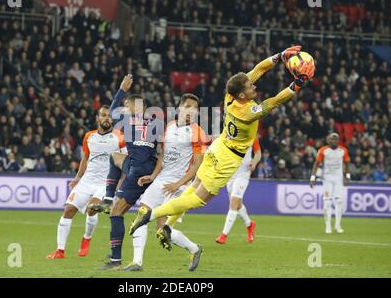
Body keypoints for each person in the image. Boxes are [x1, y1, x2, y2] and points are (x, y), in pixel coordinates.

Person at [129, 46, 314, 271]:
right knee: (199, 198)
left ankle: (167, 226)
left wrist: (279, 56)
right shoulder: (248, 112)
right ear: (243, 95)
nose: (254, 85)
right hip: (229, 158)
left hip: (217, 146)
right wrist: (298, 83)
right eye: (249, 86)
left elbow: (257, 69)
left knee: (194, 186)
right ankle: (151, 214)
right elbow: (275, 101)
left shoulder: (230, 95)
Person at [124, 93, 208, 271]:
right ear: (179, 108)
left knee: (163, 229)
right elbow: (162, 156)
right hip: (161, 181)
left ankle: (194, 249)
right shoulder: (169, 126)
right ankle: (137, 262)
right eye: (187, 106)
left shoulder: (197, 132)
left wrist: (179, 184)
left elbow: (198, 164)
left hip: (180, 185)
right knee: (141, 215)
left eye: (194, 109)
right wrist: (153, 176)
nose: (190, 111)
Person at [92, 75, 164, 270]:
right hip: (147, 167)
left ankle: (115, 260)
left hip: (137, 170)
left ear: (134, 106)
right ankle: (107, 198)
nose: (124, 107)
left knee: (117, 212)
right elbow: (162, 152)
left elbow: (112, 112)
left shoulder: (128, 120)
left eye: (127, 105)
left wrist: (121, 90)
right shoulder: (156, 123)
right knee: (115, 157)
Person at [46, 106, 126, 259]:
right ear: (98, 118)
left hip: (105, 183)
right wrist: (77, 178)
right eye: (103, 115)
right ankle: (60, 251)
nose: (107, 118)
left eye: (109, 116)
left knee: (92, 208)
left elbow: (124, 162)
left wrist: (120, 183)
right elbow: (85, 158)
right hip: (87, 181)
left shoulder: (119, 137)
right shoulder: (89, 136)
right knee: (68, 209)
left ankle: (86, 238)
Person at [215, 137, 261, 245]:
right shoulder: (228, 135)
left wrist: (254, 162)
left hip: (243, 173)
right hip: (230, 173)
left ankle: (223, 235)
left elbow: (258, 153)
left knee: (234, 202)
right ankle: (249, 224)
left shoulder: (251, 136)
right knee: (237, 203)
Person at [310, 133, 350, 234]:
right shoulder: (323, 150)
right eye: (332, 139)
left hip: (338, 179)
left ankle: (337, 225)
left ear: (338, 140)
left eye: (336, 139)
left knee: (339, 201)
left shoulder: (343, 150)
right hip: (327, 179)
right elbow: (316, 164)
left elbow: (347, 163)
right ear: (328, 140)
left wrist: (347, 176)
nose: (334, 141)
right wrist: (313, 177)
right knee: (327, 202)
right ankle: (328, 226)